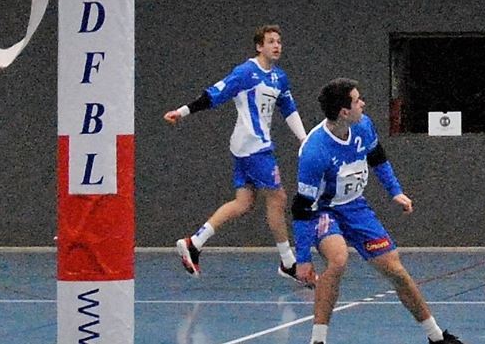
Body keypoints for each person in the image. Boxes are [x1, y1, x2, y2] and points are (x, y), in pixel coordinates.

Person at [290, 78, 464, 344]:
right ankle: (318, 340)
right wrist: (302, 259)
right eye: (357, 100)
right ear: (344, 112)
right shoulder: (315, 151)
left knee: (396, 271)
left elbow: (378, 159)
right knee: (337, 260)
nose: (363, 103)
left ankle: (436, 337)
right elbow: (301, 208)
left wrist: (396, 192)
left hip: (356, 208)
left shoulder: (363, 126)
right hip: (323, 211)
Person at [164, 24, 312, 284]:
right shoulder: (245, 73)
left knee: (243, 202)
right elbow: (214, 94)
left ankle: (194, 243)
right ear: (259, 46)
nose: (276, 45)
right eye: (270, 41)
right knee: (278, 197)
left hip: (248, 147)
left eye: (279, 41)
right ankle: (288, 262)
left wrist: (304, 139)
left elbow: (288, 109)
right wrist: (182, 111)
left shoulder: (279, 78)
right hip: (254, 145)